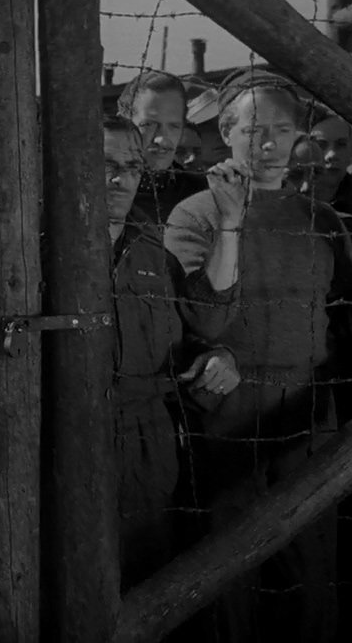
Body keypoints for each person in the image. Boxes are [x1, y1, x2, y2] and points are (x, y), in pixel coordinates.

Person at [165, 69, 352, 643]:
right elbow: (201, 321)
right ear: (226, 132)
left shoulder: (322, 220)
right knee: (229, 570)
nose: (269, 143)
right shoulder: (195, 215)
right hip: (229, 412)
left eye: (282, 129)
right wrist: (231, 222)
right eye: (254, 129)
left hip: (308, 411)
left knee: (310, 567)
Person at [96, 114, 245, 594]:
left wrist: (218, 356)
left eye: (132, 166)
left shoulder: (151, 252)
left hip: (146, 450)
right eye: (104, 164)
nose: (120, 179)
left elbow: (195, 332)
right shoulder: (27, 249)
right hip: (59, 441)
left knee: (144, 580)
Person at [118, 70, 208, 224]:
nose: (162, 139)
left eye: (174, 126)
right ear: (123, 123)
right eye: (149, 124)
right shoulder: (102, 192)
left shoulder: (201, 193)